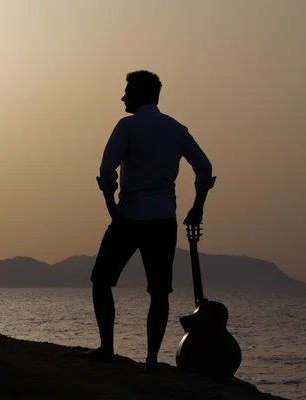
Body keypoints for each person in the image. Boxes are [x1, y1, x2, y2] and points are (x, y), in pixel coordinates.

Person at [84, 70, 216, 370]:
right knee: (159, 291)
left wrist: (110, 204)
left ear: (142, 94)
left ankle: (107, 348)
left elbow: (107, 169)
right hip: (163, 221)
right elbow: (204, 168)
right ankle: (153, 360)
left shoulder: (127, 126)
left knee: (102, 280)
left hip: (128, 216)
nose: (123, 97)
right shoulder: (176, 129)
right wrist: (198, 207)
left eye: (128, 91)